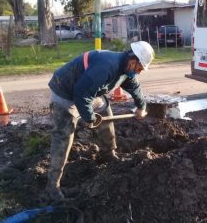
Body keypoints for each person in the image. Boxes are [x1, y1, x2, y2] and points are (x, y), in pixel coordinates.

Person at [46, 41, 155, 201]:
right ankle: (52, 187)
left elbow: (135, 89)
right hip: (65, 91)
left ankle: (107, 153)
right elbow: (81, 92)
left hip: (86, 91)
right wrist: (89, 118)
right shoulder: (107, 66)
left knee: (104, 108)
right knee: (63, 136)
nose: (139, 72)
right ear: (133, 60)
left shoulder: (126, 70)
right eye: (139, 68)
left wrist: (141, 107)